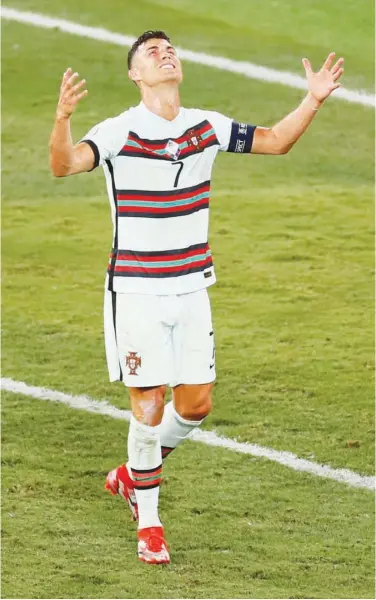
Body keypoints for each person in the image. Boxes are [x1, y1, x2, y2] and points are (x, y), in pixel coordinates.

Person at [49, 30, 344, 564]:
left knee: (196, 404)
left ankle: (131, 474)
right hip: (136, 291)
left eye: (169, 49)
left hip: (191, 287)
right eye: (151, 52)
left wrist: (313, 99)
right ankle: (151, 523)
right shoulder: (118, 131)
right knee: (148, 405)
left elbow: (276, 140)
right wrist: (64, 118)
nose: (165, 54)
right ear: (136, 74)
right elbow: (64, 164)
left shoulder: (205, 126)